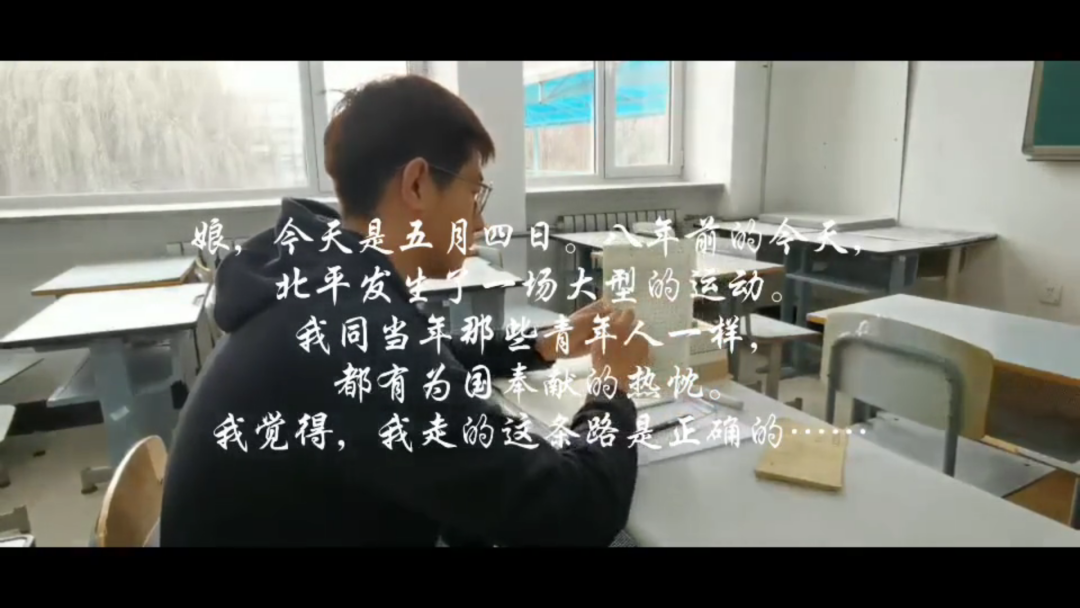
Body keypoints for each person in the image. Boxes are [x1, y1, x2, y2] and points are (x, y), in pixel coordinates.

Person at [160, 75, 650, 547]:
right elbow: (576, 511)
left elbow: (434, 355)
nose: (481, 222)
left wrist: (543, 344)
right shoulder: (356, 334)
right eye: (474, 193)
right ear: (417, 184)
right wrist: (613, 386)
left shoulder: (325, 285)